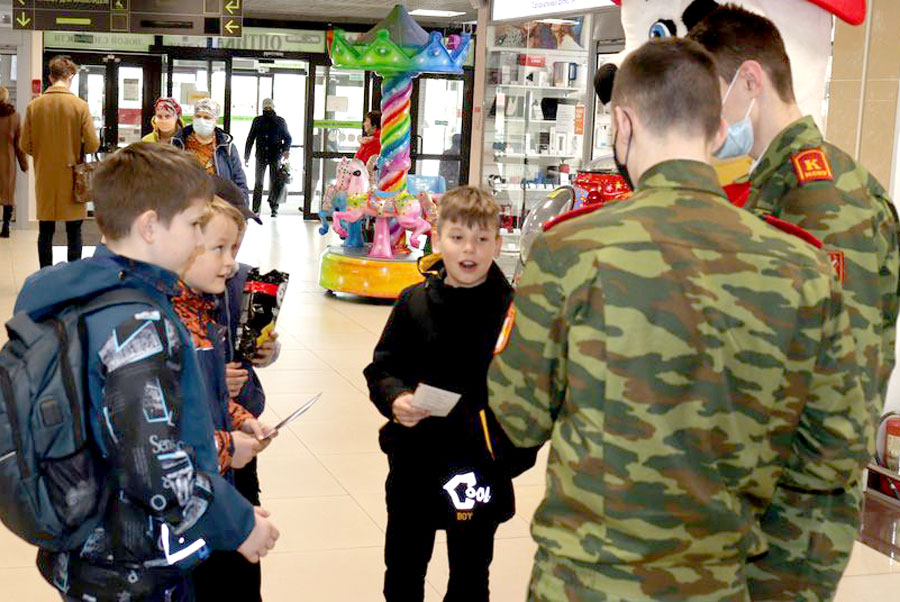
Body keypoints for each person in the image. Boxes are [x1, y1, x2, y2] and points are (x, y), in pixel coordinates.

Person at [487, 38, 870, 602]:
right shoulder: (801, 268)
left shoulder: (571, 250)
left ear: (622, 123)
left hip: (584, 582)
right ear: (718, 132)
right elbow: (832, 457)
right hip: (720, 581)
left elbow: (517, 417)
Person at [688, 8, 900, 598]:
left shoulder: (821, 199)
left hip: (789, 518)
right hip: (760, 501)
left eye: (710, 98)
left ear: (750, 81)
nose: (705, 119)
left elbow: (844, 382)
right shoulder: (772, 185)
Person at [13, 143, 279, 602]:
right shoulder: (138, 323)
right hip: (134, 557)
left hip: (81, 538)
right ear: (151, 226)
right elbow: (152, 462)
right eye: (194, 225)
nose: (198, 241)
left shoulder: (67, 291)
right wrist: (237, 524)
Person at [364, 186, 537, 602]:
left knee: (471, 573)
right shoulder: (413, 303)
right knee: (404, 566)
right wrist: (396, 399)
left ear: (498, 244)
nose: (469, 249)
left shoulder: (515, 313)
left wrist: (509, 454)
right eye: (457, 237)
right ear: (438, 239)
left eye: (481, 238)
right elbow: (382, 367)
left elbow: (532, 395)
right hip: (414, 460)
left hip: (479, 464)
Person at [173, 189, 276, 602]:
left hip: (227, 459)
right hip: (193, 486)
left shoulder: (225, 291)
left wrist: (240, 417)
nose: (231, 260)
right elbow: (160, 436)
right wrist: (228, 445)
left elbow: (208, 396)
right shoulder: (161, 322)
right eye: (220, 247)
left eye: (235, 244)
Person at [21, 55, 100, 268]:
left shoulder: (34, 106)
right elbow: (92, 145)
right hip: (73, 177)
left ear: (50, 77)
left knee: (45, 231)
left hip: (45, 176)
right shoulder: (80, 106)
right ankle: (72, 278)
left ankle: (45, 276)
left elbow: (24, 145)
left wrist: (44, 154)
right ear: (70, 77)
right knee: (74, 231)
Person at [176, 98, 249, 200]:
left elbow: (239, 181)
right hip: (185, 204)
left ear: (215, 121)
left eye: (207, 117)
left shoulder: (226, 147)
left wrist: (241, 206)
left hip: (219, 204)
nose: (201, 120)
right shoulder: (178, 144)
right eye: (198, 116)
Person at [244, 98, 292, 218]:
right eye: (265, 107)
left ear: (273, 107)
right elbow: (250, 138)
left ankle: (274, 209)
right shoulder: (257, 121)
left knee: (274, 182)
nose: (267, 109)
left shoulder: (280, 121)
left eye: (269, 107)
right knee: (258, 183)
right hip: (260, 156)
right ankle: (255, 209)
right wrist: (246, 156)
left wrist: (285, 150)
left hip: (275, 156)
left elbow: (288, 138)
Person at [0, 86, 27, 238]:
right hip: (7, 161)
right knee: (8, 195)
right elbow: (19, 145)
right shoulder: (15, 117)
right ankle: (6, 226)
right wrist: (24, 165)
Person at [356, 109, 382, 181]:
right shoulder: (370, 140)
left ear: (374, 125)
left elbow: (364, 163)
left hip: (366, 180)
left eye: (366, 121)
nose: (364, 124)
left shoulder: (373, 142)